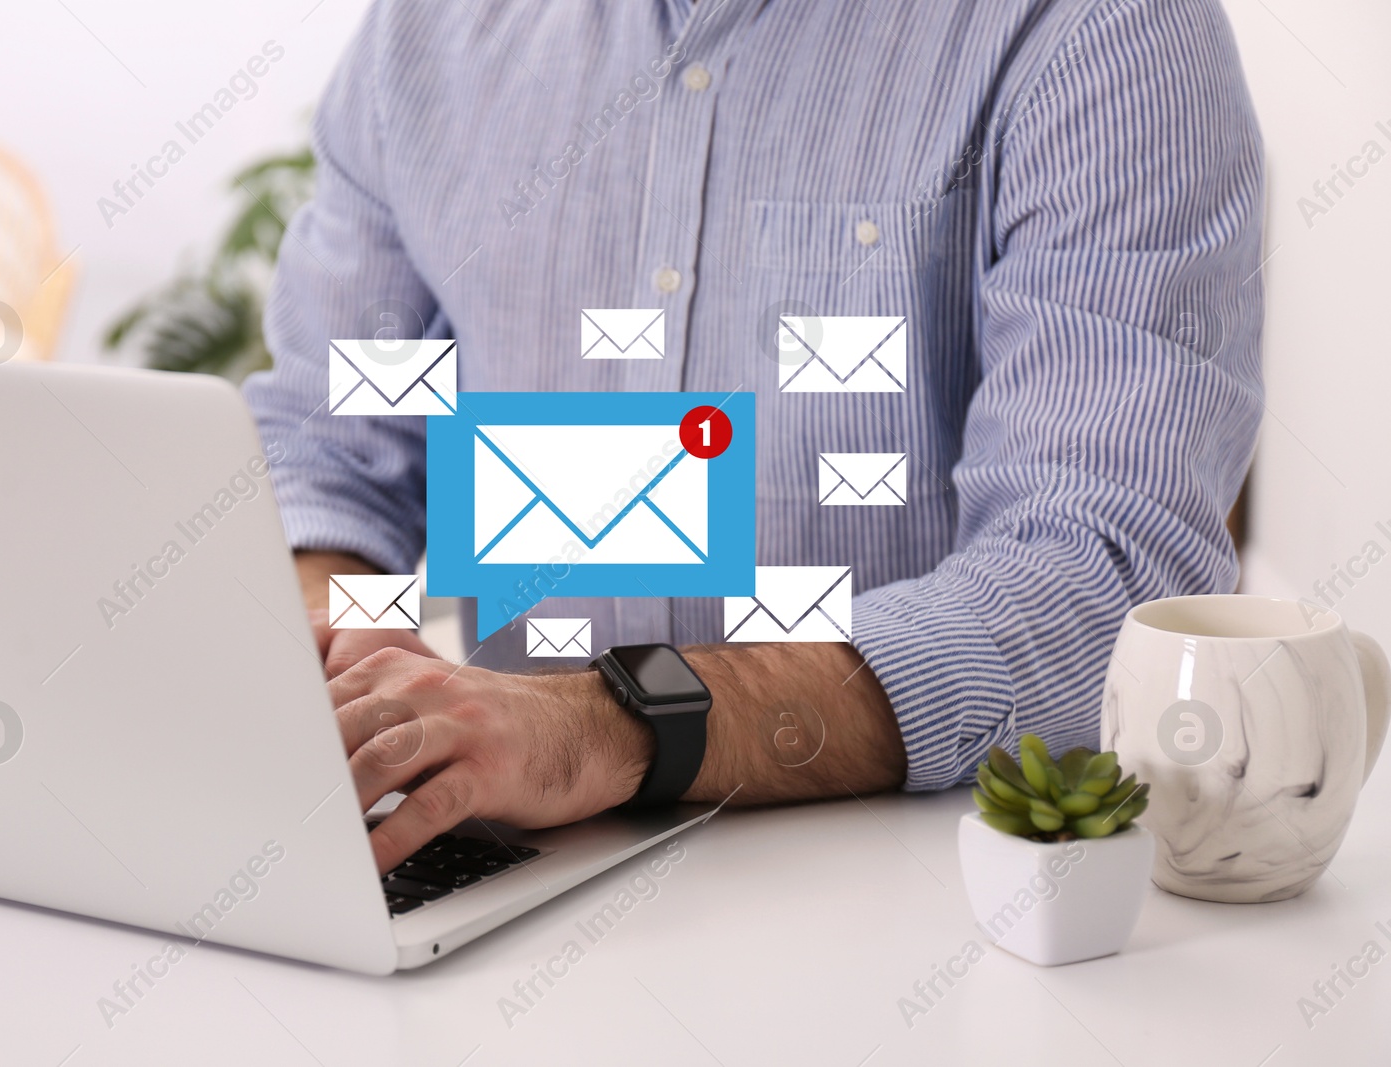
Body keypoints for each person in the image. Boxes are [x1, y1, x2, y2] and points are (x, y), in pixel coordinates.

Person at [242, 0, 1264, 874]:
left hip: (919, 904)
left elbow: (1105, 577)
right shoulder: (424, 35)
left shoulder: (1095, 30)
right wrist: (341, 636)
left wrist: (612, 722)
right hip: (514, 875)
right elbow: (328, 446)